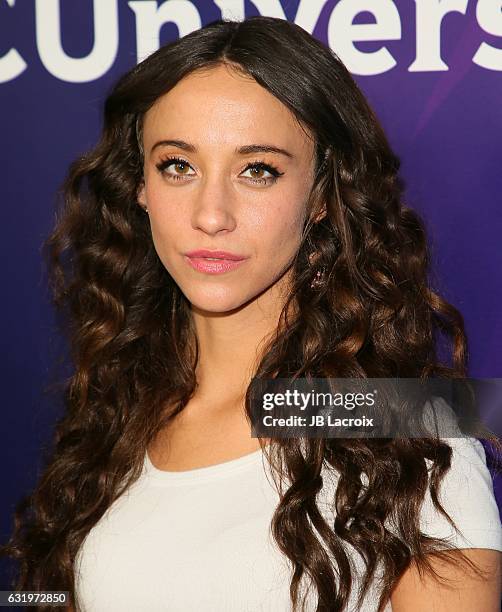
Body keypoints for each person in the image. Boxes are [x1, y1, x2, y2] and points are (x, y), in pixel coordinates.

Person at [1, 15, 501, 612]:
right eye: (177, 166)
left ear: (321, 195)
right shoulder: (118, 407)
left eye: (257, 170)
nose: (211, 214)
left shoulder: (413, 426)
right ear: (140, 186)